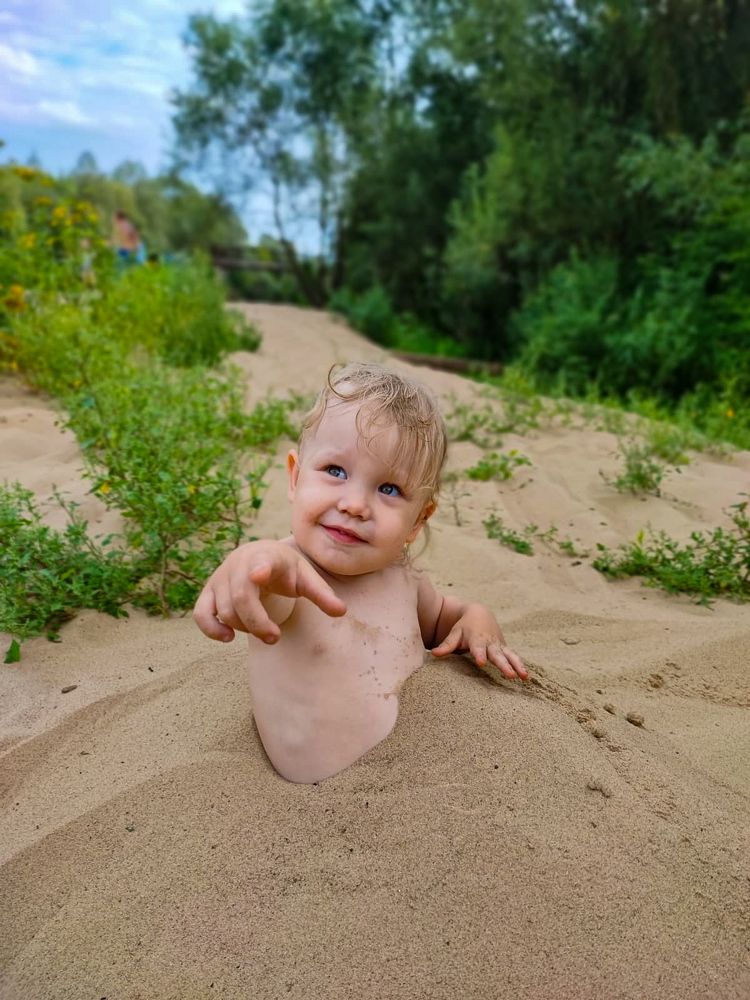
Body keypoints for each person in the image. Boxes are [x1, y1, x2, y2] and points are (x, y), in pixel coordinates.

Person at [194, 363, 527, 783]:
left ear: (418, 521)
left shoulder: (407, 582)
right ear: (295, 476)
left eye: (389, 489)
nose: (354, 503)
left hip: (424, 788)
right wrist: (250, 564)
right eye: (335, 471)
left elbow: (447, 618)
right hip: (319, 815)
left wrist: (479, 621)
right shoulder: (289, 577)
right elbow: (265, 581)